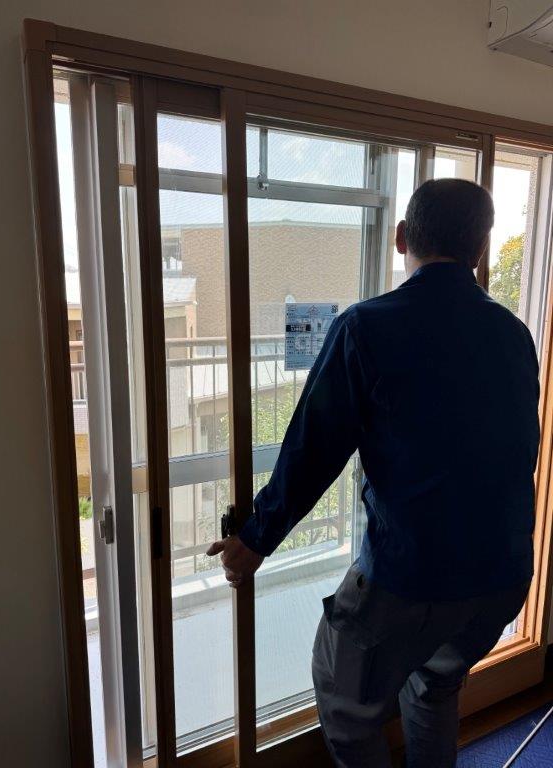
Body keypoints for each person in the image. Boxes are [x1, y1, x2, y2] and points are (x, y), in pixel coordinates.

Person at [207, 179, 540, 767]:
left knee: (344, 699)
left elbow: (313, 448)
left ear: (401, 237)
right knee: (434, 684)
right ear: (480, 248)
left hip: (412, 574)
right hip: (503, 575)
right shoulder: (512, 332)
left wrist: (254, 539)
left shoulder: (366, 327)